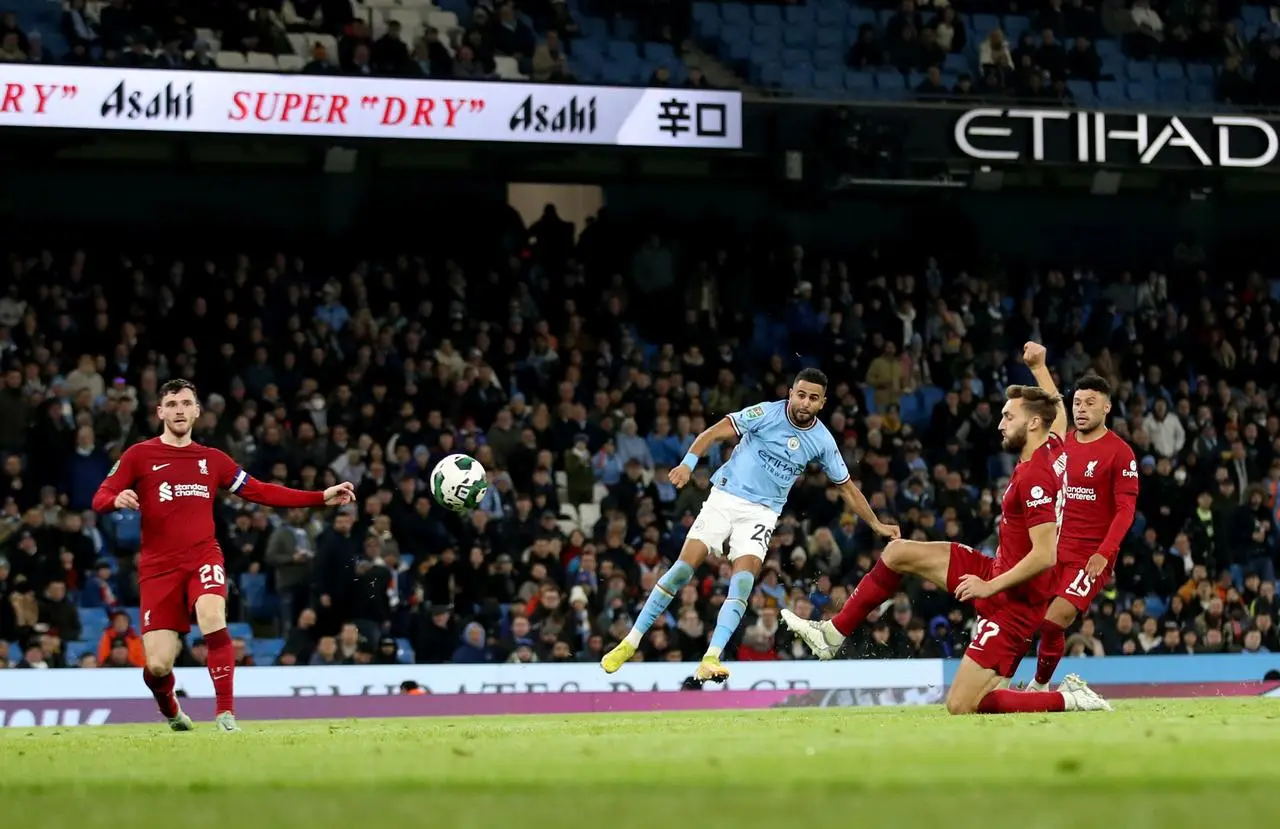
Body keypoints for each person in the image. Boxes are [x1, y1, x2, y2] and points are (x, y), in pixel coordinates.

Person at [783, 344, 1111, 715]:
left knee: (962, 705)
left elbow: (1045, 554)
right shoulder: (1051, 450)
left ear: (1032, 423)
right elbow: (1060, 419)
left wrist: (989, 586)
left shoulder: (1035, 477)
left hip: (1015, 602)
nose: (1000, 424)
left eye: (1008, 417)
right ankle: (832, 635)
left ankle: (1069, 698)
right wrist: (1040, 367)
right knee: (897, 552)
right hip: (996, 571)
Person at [599, 368, 899, 681]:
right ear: (790, 393)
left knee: (742, 583)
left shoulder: (822, 440)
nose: (805, 402)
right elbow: (715, 432)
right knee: (683, 570)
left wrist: (877, 524)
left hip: (762, 514)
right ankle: (630, 642)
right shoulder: (766, 414)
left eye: (813, 398)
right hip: (725, 497)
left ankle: (711, 658)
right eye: (801, 394)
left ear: (822, 403)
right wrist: (688, 464)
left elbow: (847, 487)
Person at [93, 379, 356, 732]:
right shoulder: (139, 455)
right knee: (157, 666)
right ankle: (172, 710)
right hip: (158, 568)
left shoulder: (212, 459)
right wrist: (115, 499)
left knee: (212, 613)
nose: (180, 410)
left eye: (186, 403)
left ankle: (225, 713)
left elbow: (261, 491)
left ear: (197, 411)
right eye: (171, 404)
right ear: (160, 412)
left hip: (203, 556)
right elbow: (100, 496)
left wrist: (320, 496)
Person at [1024, 371, 1138, 691]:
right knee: (1027, 618)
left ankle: (1038, 684)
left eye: (1090, 403)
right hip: (1051, 549)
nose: (1081, 409)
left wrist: (1104, 553)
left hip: (1089, 557)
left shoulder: (1120, 453)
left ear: (1107, 408)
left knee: (1053, 619)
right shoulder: (1060, 445)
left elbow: (1125, 510)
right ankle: (1032, 685)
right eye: (1077, 402)